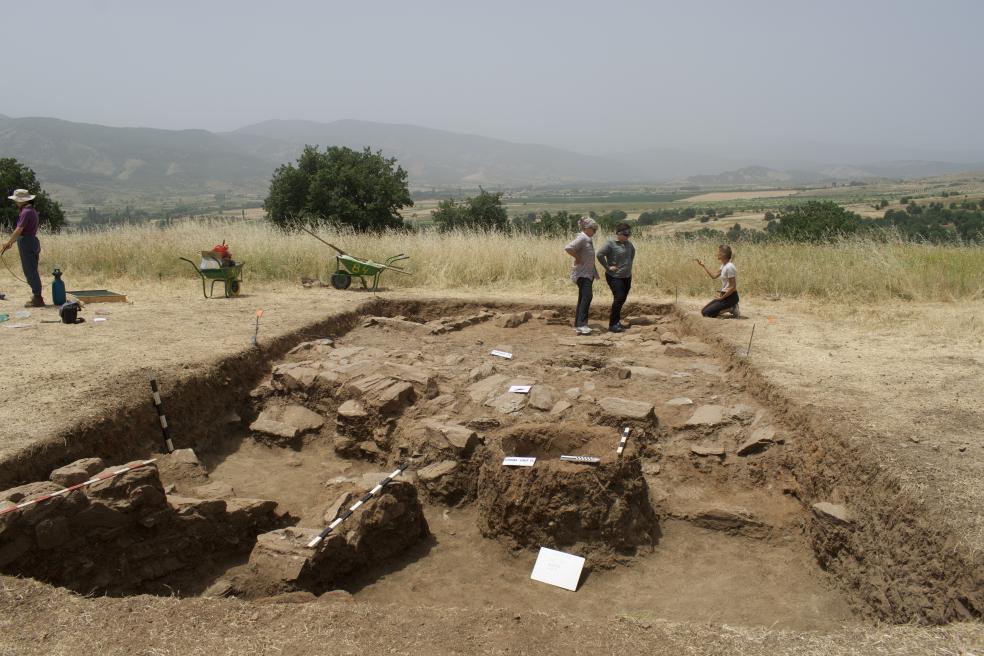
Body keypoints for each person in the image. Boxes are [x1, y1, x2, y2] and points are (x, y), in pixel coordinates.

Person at [1, 189, 44, 307]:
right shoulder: (31, 210)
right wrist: (12, 242)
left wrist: (8, 242)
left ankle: (37, 297)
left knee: (30, 270)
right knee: (31, 269)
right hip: (31, 241)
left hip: (27, 242)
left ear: (21, 201)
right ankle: (36, 295)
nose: (15, 202)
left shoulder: (26, 212)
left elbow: (19, 230)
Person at [596, 222, 635, 332]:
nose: (628, 236)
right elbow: (599, 254)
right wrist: (608, 267)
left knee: (622, 299)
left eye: (629, 234)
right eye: (626, 234)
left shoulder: (629, 244)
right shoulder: (610, 243)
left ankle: (617, 321)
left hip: (627, 276)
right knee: (618, 298)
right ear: (618, 233)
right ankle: (613, 324)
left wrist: (628, 266)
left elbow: (632, 253)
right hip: (614, 277)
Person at [564, 216, 599, 334]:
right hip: (582, 274)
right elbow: (568, 248)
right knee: (587, 296)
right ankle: (582, 324)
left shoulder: (587, 238)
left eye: (596, 229)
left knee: (583, 297)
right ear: (586, 228)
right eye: (593, 228)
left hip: (587, 273)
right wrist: (577, 258)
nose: (595, 231)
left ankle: (578, 324)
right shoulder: (582, 238)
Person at [696, 244, 739, 318]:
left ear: (724, 254)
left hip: (731, 297)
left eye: (719, 252)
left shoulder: (729, 267)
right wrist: (704, 266)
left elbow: (733, 287)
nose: (717, 254)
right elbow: (714, 276)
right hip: (725, 296)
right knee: (703, 311)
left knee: (707, 313)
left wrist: (722, 298)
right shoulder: (724, 265)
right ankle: (730, 307)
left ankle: (732, 308)